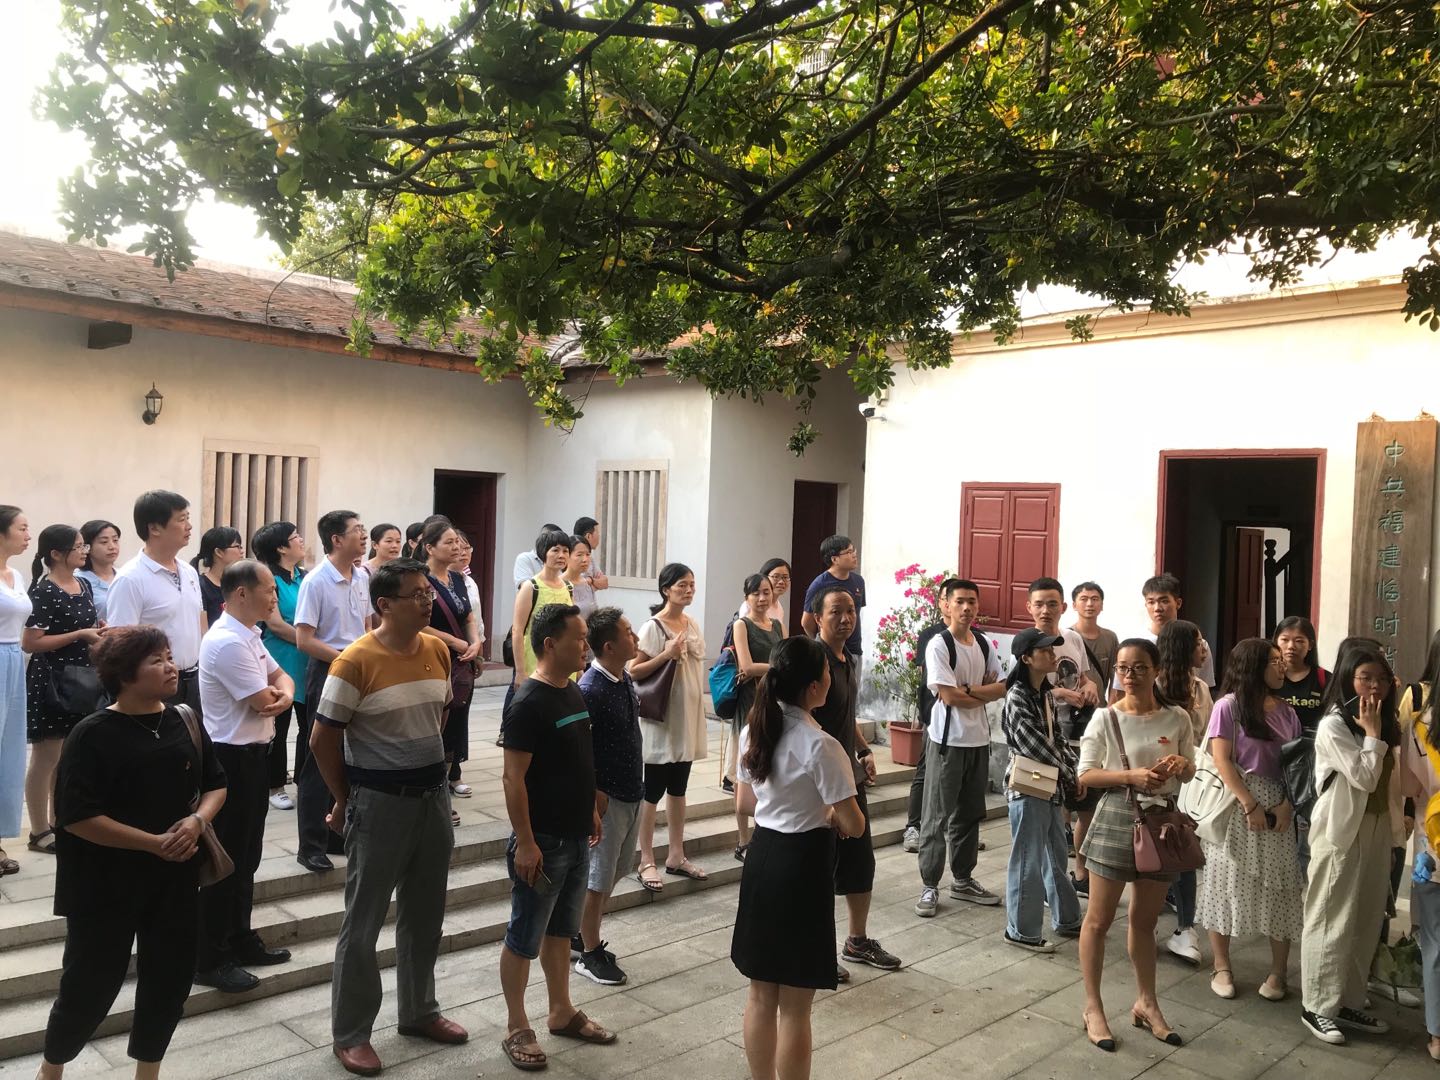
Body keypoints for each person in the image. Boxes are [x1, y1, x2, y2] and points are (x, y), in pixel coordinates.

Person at [39, 625, 226, 1080]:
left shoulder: (183, 718)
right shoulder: (92, 734)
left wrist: (197, 821)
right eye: (156, 661)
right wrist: (153, 843)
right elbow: (76, 817)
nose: (170, 667)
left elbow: (216, 784)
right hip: (105, 882)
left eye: (169, 656)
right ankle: (52, 1069)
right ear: (124, 675)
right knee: (90, 983)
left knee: (169, 979)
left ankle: (148, 1072)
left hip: (174, 878)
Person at [309, 558, 467, 1076]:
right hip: (379, 802)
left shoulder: (437, 650)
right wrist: (345, 796)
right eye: (417, 595)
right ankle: (351, 1033)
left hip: (432, 799)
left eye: (428, 593)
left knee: (425, 913)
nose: (428, 601)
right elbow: (322, 738)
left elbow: (439, 712)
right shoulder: (354, 661)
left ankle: (419, 1011)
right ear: (384, 605)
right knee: (364, 921)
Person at [731, 636, 865, 1080]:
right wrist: (828, 813)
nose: (831, 679)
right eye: (826, 672)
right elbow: (854, 824)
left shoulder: (754, 730)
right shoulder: (821, 744)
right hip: (803, 865)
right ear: (813, 686)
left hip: (763, 856)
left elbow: (746, 803)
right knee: (795, 1006)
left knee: (760, 994)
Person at [498, 602, 614, 1070]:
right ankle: (515, 1025)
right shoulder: (529, 702)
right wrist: (525, 842)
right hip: (542, 841)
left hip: (575, 835)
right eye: (579, 638)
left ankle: (561, 1011)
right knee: (524, 934)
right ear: (550, 644)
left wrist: (588, 810)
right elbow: (513, 779)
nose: (586, 646)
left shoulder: (572, 691)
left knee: (562, 931)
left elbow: (578, 758)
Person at [1077, 638, 1196, 1052]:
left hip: (1161, 822)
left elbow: (1190, 769)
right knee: (1098, 920)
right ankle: (1093, 1007)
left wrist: (1182, 764)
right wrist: (1131, 777)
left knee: (1145, 921)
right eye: (1123, 668)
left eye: (1140, 668)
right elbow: (1086, 774)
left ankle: (1147, 1002)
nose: (1130, 675)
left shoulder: (1177, 717)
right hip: (1116, 815)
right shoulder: (1105, 717)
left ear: (1157, 670)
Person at [196, 559, 295, 993]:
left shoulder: (249, 634)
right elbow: (262, 699)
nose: (275, 597)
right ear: (241, 593)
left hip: (254, 755)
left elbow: (281, 680)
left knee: (247, 855)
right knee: (226, 858)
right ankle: (210, 956)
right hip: (230, 759)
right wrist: (279, 695)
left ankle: (239, 937)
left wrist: (284, 694)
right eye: (269, 589)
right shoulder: (227, 642)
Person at [1299, 643, 1401, 1045]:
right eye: (1365, 678)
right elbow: (1364, 778)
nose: (1374, 686)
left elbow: (1391, 785)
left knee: (1366, 918)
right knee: (1330, 915)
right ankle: (1316, 1005)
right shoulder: (1334, 725)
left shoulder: (1387, 722)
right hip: (1340, 831)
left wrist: (1399, 830)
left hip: (1376, 829)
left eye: (1381, 679)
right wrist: (1373, 735)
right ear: (1347, 679)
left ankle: (1347, 1000)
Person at [1196, 638, 1302, 1003]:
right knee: (1224, 880)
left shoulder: (1287, 711)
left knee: (1280, 885)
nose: (1282, 665)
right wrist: (1249, 804)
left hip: (1279, 804)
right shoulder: (1228, 706)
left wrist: (1287, 804)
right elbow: (1221, 759)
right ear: (1254, 666)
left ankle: (1278, 972)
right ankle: (1221, 965)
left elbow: (1297, 765)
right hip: (1236, 803)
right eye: (1274, 660)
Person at [811, 586, 900, 978]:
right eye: (836, 611)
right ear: (817, 617)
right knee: (819, 867)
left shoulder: (846, 659)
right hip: (818, 779)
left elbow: (846, 716)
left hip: (848, 773)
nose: (846, 618)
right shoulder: (813, 661)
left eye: (851, 611)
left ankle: (857, 941)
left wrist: (864, 750)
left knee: (860, 861)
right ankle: (816, 951)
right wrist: (826, 798)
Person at [915, 579, 1005, 917]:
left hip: (978, 740)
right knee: (936, 816)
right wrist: (979, 691)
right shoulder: (939, 644)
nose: (967, 608)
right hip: (947, 741)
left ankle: (963, 879)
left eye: (972, 602)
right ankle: (929, 884)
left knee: (969, 814)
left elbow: (1001, 687)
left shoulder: (982, 643)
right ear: (946, 605)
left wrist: (969, 689)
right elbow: (948, 696)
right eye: (960, 601)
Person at [293, 510, 370, 873]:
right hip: (328, 669)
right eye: (357, 530)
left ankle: (336, 831)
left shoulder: (362, 576)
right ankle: (310, 844)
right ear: (336, 539)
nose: (364, 535)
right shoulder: (316, 581)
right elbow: (304, 639)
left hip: (358, 668)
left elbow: (366, 627)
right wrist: (346, 660)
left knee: (350, 753)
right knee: (319, 755)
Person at [572, 606, 644, 985]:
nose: (636, 637)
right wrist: (592, 797)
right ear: (609, 646)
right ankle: (589, 953)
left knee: (617, 870)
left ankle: (580, 931)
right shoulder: (591, 690)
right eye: (629, 632)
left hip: (631, 791)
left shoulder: (623, 678)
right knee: (597, 879)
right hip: (608, 799)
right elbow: (581, 752)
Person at [1001, 628, 1082, 952]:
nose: (1052, 655)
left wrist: (1073, 767)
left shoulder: (1045, 695)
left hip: (1048, 784)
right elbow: (1033, 745)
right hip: (1028, 785)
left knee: (1055, 854)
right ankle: (1021, 930)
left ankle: (1067, 918)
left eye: (1052, 649)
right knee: (1028, 859)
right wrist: (1069, 772)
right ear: (1026, 658)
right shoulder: (1017, 695)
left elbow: (1057, 739)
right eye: (1045, 650)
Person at [22, 525, 102, 857]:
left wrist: (97, 632)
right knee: (46, 757)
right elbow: (31, 642)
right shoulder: (45, 590)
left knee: (68, 755)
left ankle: (60, 820)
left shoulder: (83, 584)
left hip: (81, 678)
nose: (84, 551)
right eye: (78, 547)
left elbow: (87, 627)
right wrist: (79, 635)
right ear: (56, 554)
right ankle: (39, 829)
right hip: (52, 680)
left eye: (85, 546)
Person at [629, 562, 709, 891]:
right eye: (682, 585)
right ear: (666, 590)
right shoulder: (653, 626)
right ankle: (646, 859)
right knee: (652, 792)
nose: (689, 590)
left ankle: (676, 854)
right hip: (661, 721)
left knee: (679, 788)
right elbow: (633, 671)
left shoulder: (691, 623)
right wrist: (665, 654)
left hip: (685, 718)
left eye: (691, 584)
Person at [107, 491, 206, 716]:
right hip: (153, 685)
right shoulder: (130, 579)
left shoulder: (189, 572)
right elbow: (120, 643)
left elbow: (198, 622)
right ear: (154, 528)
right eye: (181, 519)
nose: (189, 526)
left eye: (188, 518)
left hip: (193, 680)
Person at [1155, 619, 1213, 966]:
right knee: (1153, 855)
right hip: (1156, 784)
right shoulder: (1154, 686)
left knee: (1184, 853)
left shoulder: (1201, 689)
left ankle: (1185, 928)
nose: (1204, 647)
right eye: (1198, 642)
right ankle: (1147, 922)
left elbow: (1208, 739)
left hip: (1193, 783)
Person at [421, 520, 481, 817]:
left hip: (459, 663)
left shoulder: (457, 579)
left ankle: (441, 790)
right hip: (430, 661)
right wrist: (455, 642)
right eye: (449, 542)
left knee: (454, 727)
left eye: (458, 542)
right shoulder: (419, 579)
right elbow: (418, 623)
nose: (457, 547)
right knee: (433, 727)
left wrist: (475, 643)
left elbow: (468, 616)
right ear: (430, 548)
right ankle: (429, 792)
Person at [252, 521, 308, 812]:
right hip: (280, 660)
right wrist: (309, 640)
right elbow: (275, 624)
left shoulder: (305, 576)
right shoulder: (270, 579)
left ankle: (305, 780)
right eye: (295, 537)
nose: (301, 540)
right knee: (279, 726)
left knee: (309, 726)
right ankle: (275, 785)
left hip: (307, 660)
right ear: (281, 548)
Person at [1398, 675, 1440, 1061]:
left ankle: (1437, 1035)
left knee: (1435, 940)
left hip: (1434, 844)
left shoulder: (1420, 722)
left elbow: (1408, 787)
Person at [1067, 580, 1119, 891]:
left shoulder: (1110, 638)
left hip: (1098, 723)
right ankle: (1070, 862)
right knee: (1070, 795)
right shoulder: (1066, 637)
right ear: (1074, 604)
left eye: (1095, 598)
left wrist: (1112, 712)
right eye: (1084, 598)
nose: (1089, 603)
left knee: (1089, 799)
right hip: (1069, 725)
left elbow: (1114, 680)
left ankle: (1082, 868)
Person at [732, 572, 784, 858]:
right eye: (756, 593)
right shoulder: (742, 625)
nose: (762, 598)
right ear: (747, 597)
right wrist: (777, 668)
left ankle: (762, 833)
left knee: (768, 767)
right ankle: (743, 840)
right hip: (751, 703)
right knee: (745, 770)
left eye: (766, 592)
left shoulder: (777, 625)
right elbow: (747, 667)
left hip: (774, 701)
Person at [902, 580, 956, 853]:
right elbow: (932, 677)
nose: (959, 605)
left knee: (955, 775)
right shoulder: (931, 636)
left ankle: (954, 830)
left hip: (963, 718)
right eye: (951, 599)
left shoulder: (976, 638)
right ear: (943, 603)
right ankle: (913, 826)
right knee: (925, 770)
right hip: (934, 713)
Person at [507, 528, 573, 709]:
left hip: (564, 660)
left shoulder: (568, 587)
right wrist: (520, 671)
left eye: (566, 551)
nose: (561, 555)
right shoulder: (531, 587)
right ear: (544, 553)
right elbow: (518, 630)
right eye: (555, 550)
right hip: (535, 660)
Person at [0, 505, 31, 876]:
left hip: (13, 661)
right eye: (21, 528)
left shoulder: (17, 575)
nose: (28, 535)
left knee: (9, 752)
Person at [800, 535, 865, 654]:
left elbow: (857, 612)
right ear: (834, 559)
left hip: (854, 650)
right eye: (849, 552)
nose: (854, 555)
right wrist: (821, 644)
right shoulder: (819, 584)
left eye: (853, 550)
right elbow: (806, 622)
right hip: (830, 650)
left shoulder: (859, 581)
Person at [1274, 616, 1330, 733]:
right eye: (1285, 640)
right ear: (1275, 642)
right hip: (1276, 742)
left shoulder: (1325, 678)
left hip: (1313, 743)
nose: (1291, 646)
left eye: (1299, 641)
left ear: (1310, 645)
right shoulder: (1267, 677)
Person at [192, 526, 245, 627]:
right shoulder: (201, 586)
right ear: (219, 552)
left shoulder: (240, 585)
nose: (241, 551)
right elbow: (203, 629)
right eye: (237, 546)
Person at [76, 519, 122, 623]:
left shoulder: (125, 575)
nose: (112, 547)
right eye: (104, 542)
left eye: (115, 540)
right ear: (87, 547)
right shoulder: (78, 581)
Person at [747, 558, 791, 627]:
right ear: (764, 577)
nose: (781, 582)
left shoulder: (779, 608)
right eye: (776, 577)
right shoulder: (751, 606)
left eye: (785, 577)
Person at [573, 516, 610, 595]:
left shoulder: (591, 559)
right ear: (588, 536)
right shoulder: (571, 556)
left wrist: (591, 580)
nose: (599, 536)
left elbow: (605, 583)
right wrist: (594, 584)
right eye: (598, 533)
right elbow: (579, 586)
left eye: (587, 554)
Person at [564, 534, 598, 619]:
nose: (585, 559)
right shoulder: (558, 584)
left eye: (588, 554)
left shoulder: (587, 584)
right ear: (567, 556)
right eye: (579, 555)